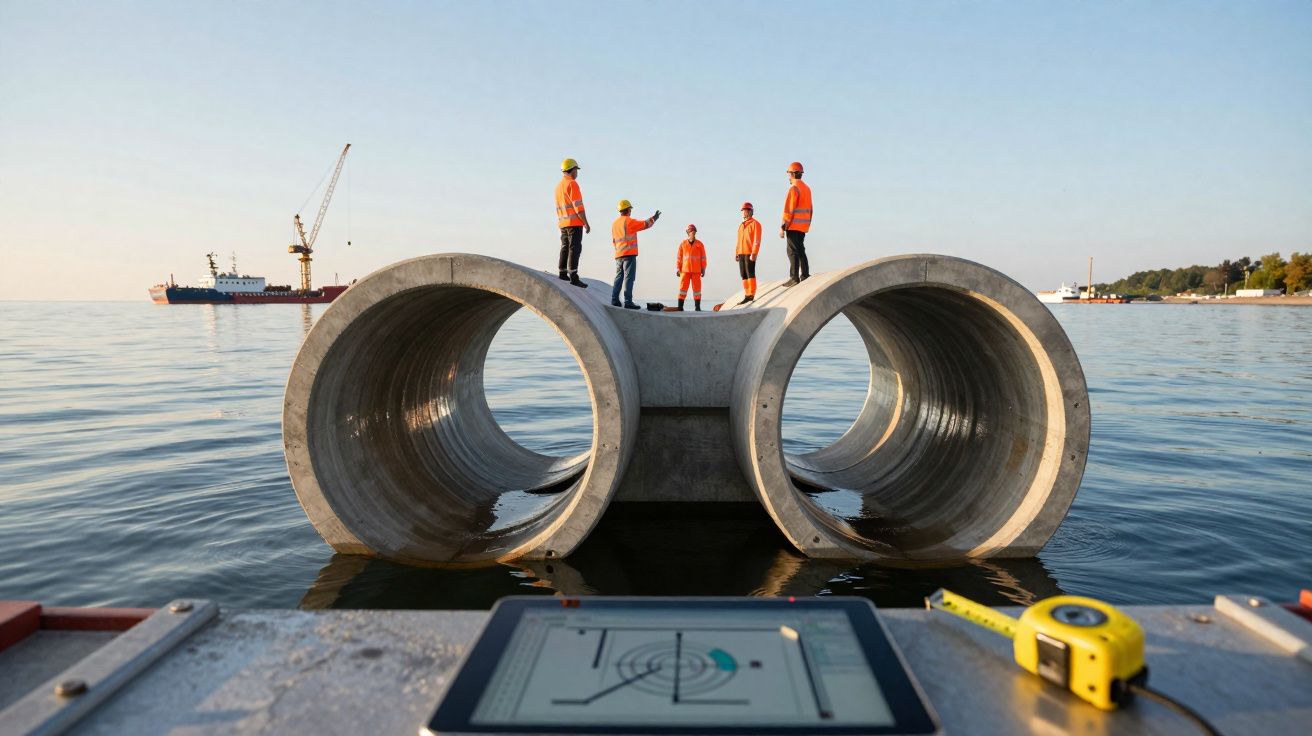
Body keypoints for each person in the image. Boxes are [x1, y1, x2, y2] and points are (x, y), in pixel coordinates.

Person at [611, 199, 660, 309]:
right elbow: (644, 224)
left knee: (619, 277)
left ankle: (614, 300)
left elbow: (614, 241)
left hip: (619, 254)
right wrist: (654, 218)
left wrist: (618, 250)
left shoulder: (614, 224)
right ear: (628, 210)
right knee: (629, 278)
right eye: (630, 209)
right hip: (629, 254)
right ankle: (628, 301)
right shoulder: (629, 221)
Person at [555, 158, 590, 288]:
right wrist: (585, 223)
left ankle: (562, 272)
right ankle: (573, 277)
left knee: (565, 246)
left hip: (563, 223)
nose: (577, 173)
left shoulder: (558, 187)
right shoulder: (572, 184)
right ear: (573, 170)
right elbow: (578, 207)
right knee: (574, 248)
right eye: (576, 170)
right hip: (574, 222)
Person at [779, 161, 812, 286]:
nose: (788, 177)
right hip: (803, 226)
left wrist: (783, 227)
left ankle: (794, 278)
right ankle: (805, 274)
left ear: (792, 174)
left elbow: (789, 210)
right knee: (801, 250)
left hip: (792, 225)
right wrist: (807, 224)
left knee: (792, 251)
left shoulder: (794, 188)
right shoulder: (807, 189)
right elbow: (811, 209)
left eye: (789, 174)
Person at [675, 224, 707, 311]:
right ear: (688, 233)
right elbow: (679, 257)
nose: (693, 233)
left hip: (696, 271)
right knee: (682, 289)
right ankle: (680, 307)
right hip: (684, 271)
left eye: (694, 231)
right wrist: (678, 268)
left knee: (697, 290)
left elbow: (703, 257)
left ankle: (697, 307)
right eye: (691, 231)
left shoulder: (700, 244)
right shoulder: (683, 244)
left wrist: (703, 268)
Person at [735, 201, 762, 304]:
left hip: (749, 253)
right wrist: (736, 253)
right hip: (741, 253)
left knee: (750, 273)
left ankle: (751, 294)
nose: (743, 213)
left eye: (745, 211)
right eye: (743, 211)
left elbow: (757, 240)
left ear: (750, 211)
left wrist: (754, 253)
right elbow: (738, 240)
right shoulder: (741, 226)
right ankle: (747, 295)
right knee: (743, 274)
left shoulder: (756, 224)